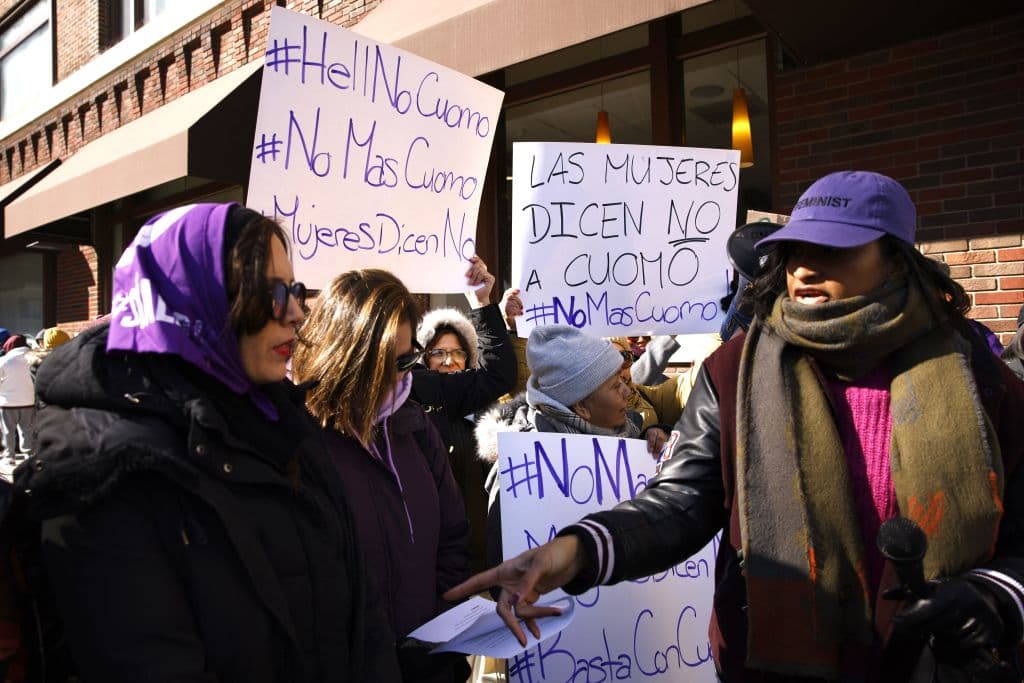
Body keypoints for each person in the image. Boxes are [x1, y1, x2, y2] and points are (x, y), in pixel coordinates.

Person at [447, 171, 1024, 682]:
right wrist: (576, 551)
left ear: (896, 257)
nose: (803, 267)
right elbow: (680, 501)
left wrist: (995, 595)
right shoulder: (739, 368)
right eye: (794, 249)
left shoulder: (978, 378)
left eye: (835, 249)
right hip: (771, 662)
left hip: (934, 663)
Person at [8, 204, 400, 681]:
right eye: (270, 293)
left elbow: (357, 622)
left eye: (295, 291)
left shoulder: (285, 423)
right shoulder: (104, 476)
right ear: (190, 298)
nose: (297, 313)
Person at [292, 269, 470, 683]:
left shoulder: (415, 428)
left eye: (409, 359)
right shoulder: (300, 443)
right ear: (347, 355)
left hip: (428, 664)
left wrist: (439, 634)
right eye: (386, 362)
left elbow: (452, 537)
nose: (401, 376)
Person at [413, 257, 517, 574]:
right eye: (439, 353)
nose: (449, 361)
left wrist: (482, 303)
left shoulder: (489, 408)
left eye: (458, 353)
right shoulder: (415, 402)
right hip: (434, 557)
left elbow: (501, 373)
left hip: (483, 556)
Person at [0, 336, 35, 461]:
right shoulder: (33, 358)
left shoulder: (4, 360)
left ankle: (10, 456)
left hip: (7, 402)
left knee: (8, 431)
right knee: (27, 430)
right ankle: (28, 454)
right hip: (28, 401)